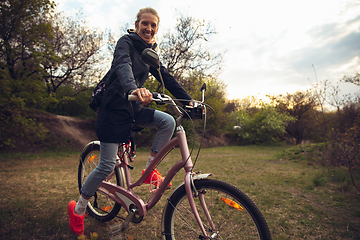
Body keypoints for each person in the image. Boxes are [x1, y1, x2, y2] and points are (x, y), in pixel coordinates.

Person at [67, 7, 193, 235]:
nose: (149, 28)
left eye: (153, 25)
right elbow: (123, 65)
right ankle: (79, 208)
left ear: (156, 30)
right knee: (106, 164)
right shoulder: (125, 42)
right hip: (114, 109)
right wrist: (133, 89)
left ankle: (149, 170)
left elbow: (166, 76)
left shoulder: (151, 53)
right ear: (137, 26)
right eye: (145, 23)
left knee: (168, 122)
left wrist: (189, 101)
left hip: (133, 109)